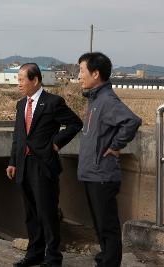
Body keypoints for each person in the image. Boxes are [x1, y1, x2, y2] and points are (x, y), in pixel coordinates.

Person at [6, 63, 83, 267]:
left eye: (22, 79)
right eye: (19, 79)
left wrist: (56, 143)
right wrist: (13, 161)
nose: (19, 83)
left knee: (47, 212)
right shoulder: (21, 104)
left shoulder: (53, 102)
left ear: (35, 80)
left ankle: (53, 257)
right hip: (23, 164)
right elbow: (18, 136)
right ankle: (35, 253)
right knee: (31, 212)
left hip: (43, 165)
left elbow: (76, 123)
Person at [77, 52, 142, 267]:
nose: (79, 76)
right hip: (91, 172)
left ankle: (110, 262)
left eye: (82, 71)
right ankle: (104, 257)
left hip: (102, 173)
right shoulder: (95, 99)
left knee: (107, 225)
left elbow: (131, 121)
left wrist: (115, 146)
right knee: (99, 222)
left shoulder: (106, 100)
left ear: (96, 74)